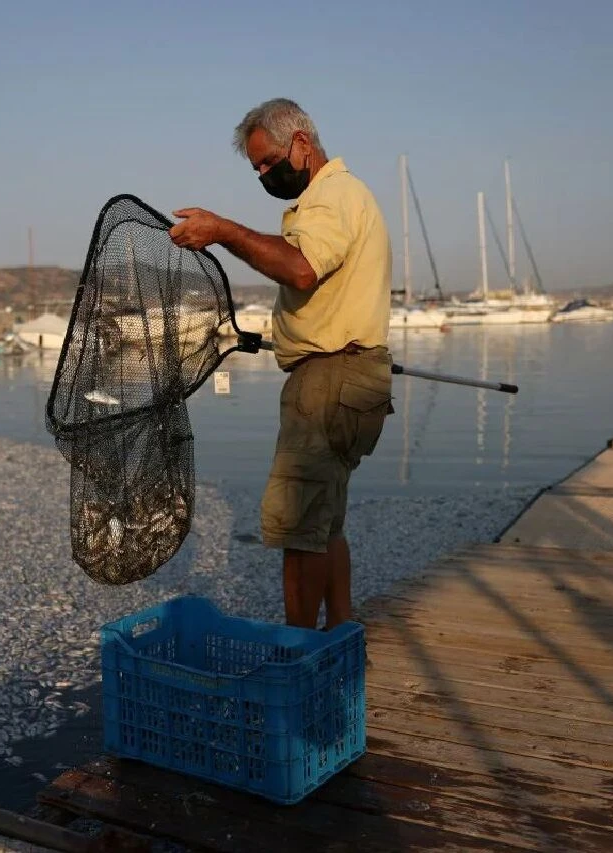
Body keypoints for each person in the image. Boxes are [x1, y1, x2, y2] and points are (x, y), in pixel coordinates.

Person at [169, 97, 394, 630]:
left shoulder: (332, 196)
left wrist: (225, 231)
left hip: (330, 381)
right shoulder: (340, 196)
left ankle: (298, 657)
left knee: (297, 525)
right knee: (324, 523)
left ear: (302, 142)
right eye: (257, 170)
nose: (265, 174)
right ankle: (341, 640)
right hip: (352, 378)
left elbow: (300, 268)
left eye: (270, 161)